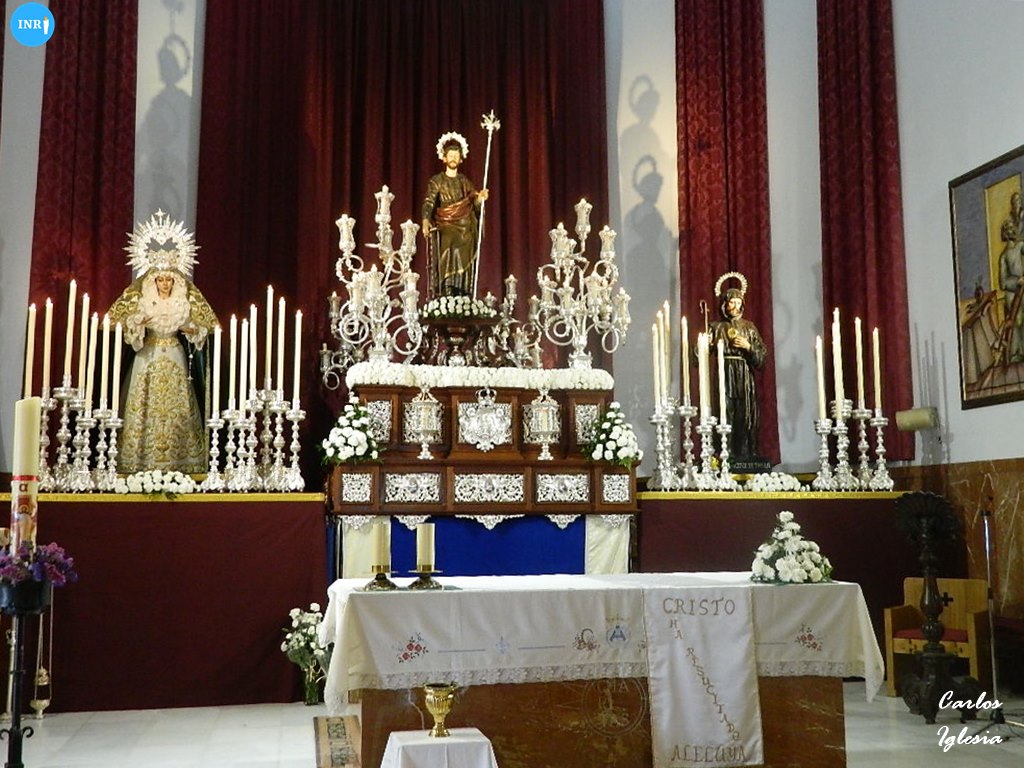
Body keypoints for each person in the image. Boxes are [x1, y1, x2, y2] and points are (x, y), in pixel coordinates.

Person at [108, 211, 218, 474]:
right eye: (160, 279)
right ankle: (138, 459)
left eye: (169, 279)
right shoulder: (143, 301)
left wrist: (191, 329)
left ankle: (181, 460)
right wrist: (138, 324)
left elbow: (202, 329)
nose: (165, 284)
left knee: (178, 406)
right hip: (148, 355)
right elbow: (126, 329)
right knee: (143, 403)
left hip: (176, 355)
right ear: (153, 281)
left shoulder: (183, 302)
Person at [421, 131, 489, 297]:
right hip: (445, 224)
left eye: (456, 156)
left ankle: (462, 287)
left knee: (468, 234)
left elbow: (473, 199)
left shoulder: (464, 181)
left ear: (460, 159)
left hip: (465, 224)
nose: (453, 158)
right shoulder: (437, 181)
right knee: (449, 238)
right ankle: (447, 285)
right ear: (444, 158)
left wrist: (480, 198)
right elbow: (429, 202)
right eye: (450, 155)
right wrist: (425, 220)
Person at [707, 273, 767, 461]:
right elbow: (696, 357)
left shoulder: (749, 327)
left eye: (738, 302)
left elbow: (762, 359)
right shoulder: (715, 327)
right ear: (724, 304)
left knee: (745, 415)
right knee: (725, 414)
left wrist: (748, 347)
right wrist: (705, 344)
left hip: (743, 376)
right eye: (731, 302)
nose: (734, 306)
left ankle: (746, 455)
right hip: (724, 374)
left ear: (742, 304)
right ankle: (725, 456)